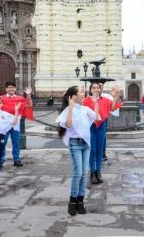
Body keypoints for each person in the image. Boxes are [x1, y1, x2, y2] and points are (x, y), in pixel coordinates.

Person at [56, 86, 99, 216]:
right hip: (75, 144)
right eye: (81, 92)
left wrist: (96, 103)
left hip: (86, 144)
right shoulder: (69, 110)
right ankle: (72, 201)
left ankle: (80, 201)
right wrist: (70, 107)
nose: (83, 93)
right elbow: (68, 125)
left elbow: (96, 117)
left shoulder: (85, 109)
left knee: (84, 173)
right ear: (74, 96)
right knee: (78, 173)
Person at [83, 82, 121, 185]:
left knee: (100, 150)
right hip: (90, 127)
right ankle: (92, 173)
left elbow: (113, 107)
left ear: (100, 90)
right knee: (92, 150)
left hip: (101, 126)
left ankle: (98, 171)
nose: (95, 89)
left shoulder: (105, 100)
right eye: (93, 88)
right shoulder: (86, 101)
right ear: (90, 90)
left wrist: (116, 96)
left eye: (97, 88)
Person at [0, 81, 33, 167]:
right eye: (9, 87)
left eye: (13, 87)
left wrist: (28, 95)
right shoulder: (1, 98)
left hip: (15, 124)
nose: (11, 89)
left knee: (16, 143)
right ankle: (1, 160)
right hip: (4, 125)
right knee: (2, 143)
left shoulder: (20, 98)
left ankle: (16, 159)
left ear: (15, 89)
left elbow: (29, 105)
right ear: (6, 89)